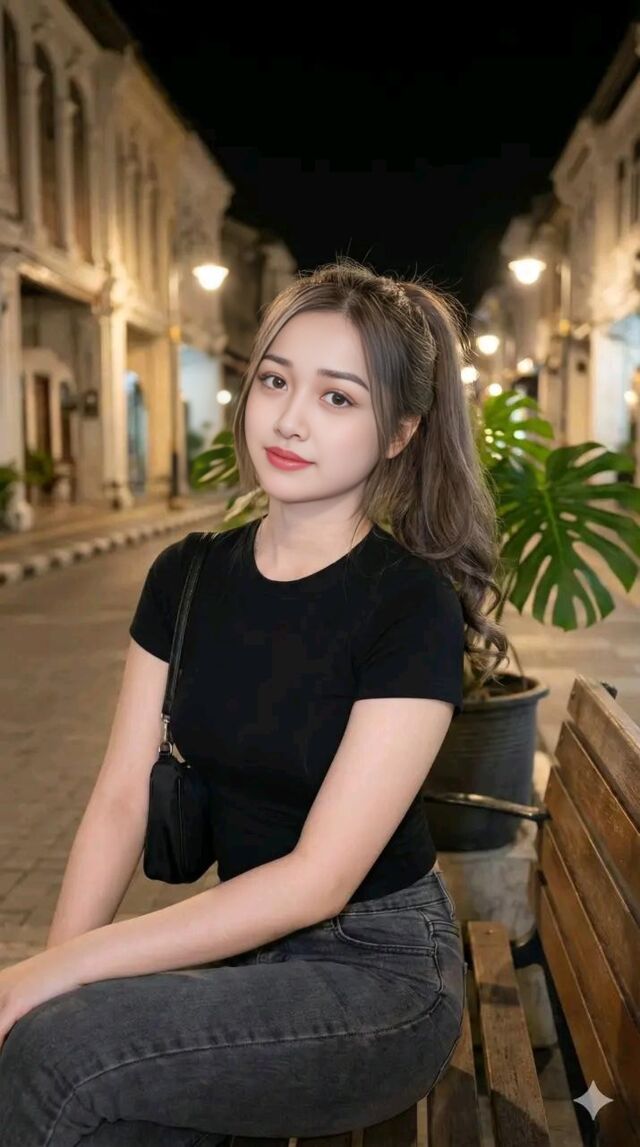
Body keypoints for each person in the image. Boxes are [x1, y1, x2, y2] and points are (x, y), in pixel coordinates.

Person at [0, 258, 508, 1145]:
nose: (290, 417)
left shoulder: (406, 603)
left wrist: (62, 979)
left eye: (338, 397)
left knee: (59, 1057)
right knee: (65, 1066)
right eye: (276, 380)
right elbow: (120, 799)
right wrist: (48, 972)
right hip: (247, 942)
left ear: (400, 432)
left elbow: (321, 878)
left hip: (379, 973)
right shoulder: (187, 575)